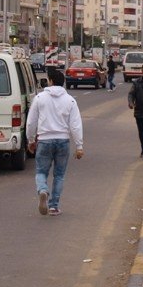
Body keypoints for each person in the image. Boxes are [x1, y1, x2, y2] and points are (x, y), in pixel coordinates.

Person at [26, 68, 84, 216]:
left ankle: (43, 190)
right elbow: (76, 124)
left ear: (50, 81)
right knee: (59, 175)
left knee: (41, 171)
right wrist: (79, 146)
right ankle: (54, 206)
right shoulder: (70, 100)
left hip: (44, 140)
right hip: (63, 141)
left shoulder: (40, 98)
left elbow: (31, 122)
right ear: (63, 83)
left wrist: (31, 140)